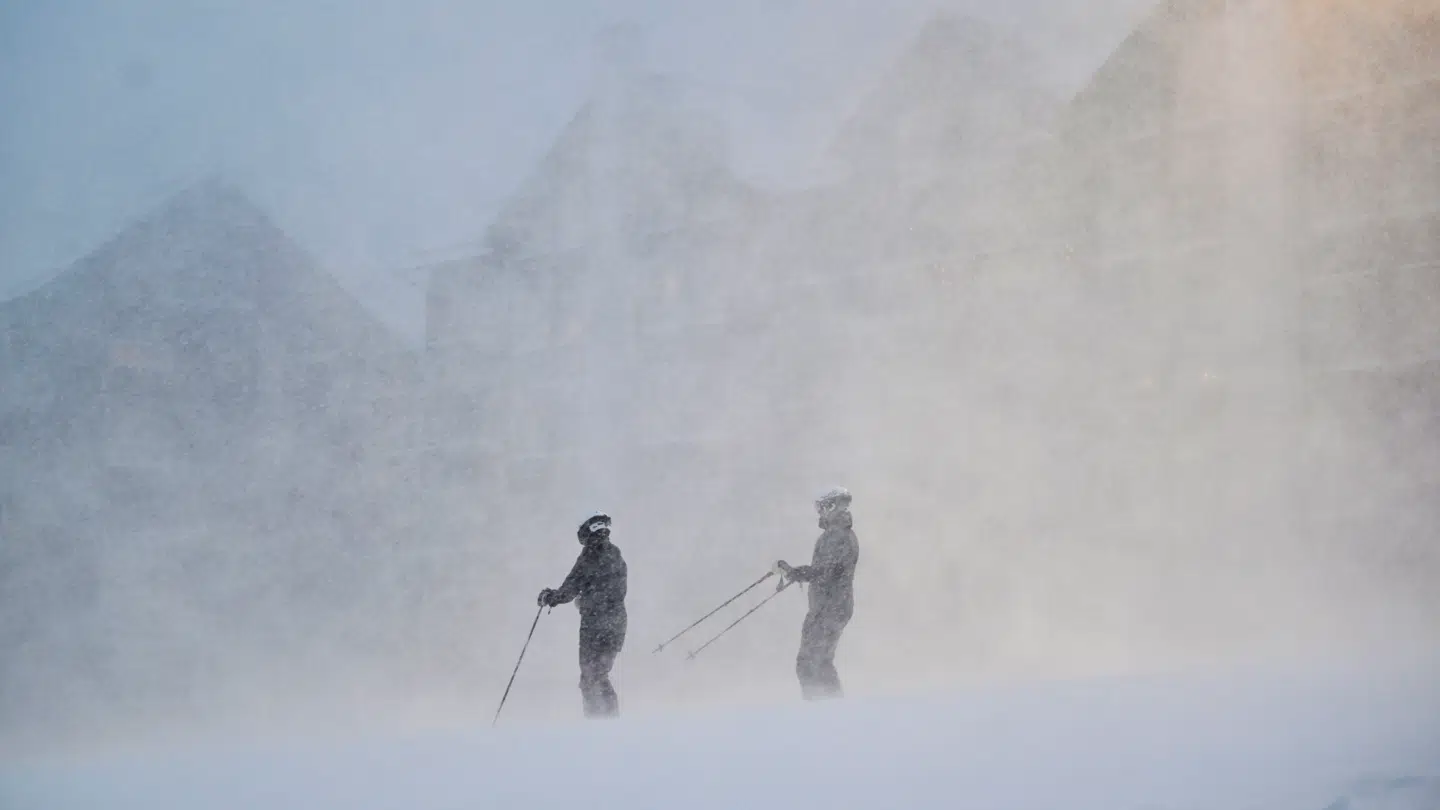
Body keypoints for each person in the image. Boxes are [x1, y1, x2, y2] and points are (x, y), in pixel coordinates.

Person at [538, 513, 628, 718]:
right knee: (600, 674)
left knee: (590, 676)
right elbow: (612, 591)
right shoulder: (616, 554)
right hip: (617, 623)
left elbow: (570, 587)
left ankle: (596, 722)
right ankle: (610, 720)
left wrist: (550, 597)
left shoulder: (590, 555)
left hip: (595, 623)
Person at [776, 487, 859, 700]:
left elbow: (827, 571)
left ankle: (824, 713)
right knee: (815, 661)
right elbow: (824, 570)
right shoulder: (830, 536)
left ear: (832, 507)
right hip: (825, 606)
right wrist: (797, 573)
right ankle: (825, 712)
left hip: (831, 606)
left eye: (822, 507)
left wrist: (798, 573)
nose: (819, 512)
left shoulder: (839, 535)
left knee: (813, 661)